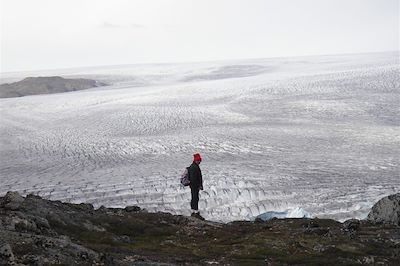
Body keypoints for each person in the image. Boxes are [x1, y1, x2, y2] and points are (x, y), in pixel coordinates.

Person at [188, 153, 204, 220]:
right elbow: (194, 178)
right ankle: (195, 212)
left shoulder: (194, 166)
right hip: (194, 186)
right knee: (195, 198)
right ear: (195, 160)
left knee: (195, 197)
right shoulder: (194, 167)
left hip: (194, 186)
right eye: (198, 160)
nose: (199, 161)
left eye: (200, 160)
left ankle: (194, 211)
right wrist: (198, 185)